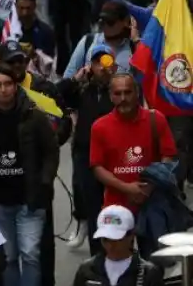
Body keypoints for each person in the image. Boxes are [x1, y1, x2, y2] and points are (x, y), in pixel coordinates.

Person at [0, 65, 60, 286]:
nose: (3, 90)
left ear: (15, 86)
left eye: (8, 84)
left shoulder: (34, 116)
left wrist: (45, 181)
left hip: (31, 199)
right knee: (7, 257)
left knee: (30, 254)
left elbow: (51, 151)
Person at [59, 44, 118, 254]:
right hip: (86, 155)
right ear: (90, 66)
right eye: (97, 62)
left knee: (115, 208)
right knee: (93, 208)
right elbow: (57, 94)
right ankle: (98, 257)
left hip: (115, 156)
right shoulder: (82, 90)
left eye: (107, 62)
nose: (102, 67)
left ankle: (119, 252)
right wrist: (76, 78)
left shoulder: (120, 89)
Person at [90, 73, 176, 212]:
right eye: (118, 93)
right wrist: (126, 188)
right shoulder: (99, 127)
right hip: (116, 207)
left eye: (128, 92)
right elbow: (97, 167)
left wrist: (149, 187)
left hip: (153, 205)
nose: (123, 98)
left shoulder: (156, 120)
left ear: (137, 93)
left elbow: (168, 157)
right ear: (111, 96)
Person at [71, 205, 164, 286]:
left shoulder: (148, 273)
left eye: (116, 240)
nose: (110, 246)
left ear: (131, 236)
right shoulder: (86, 270)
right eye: (106, 240)